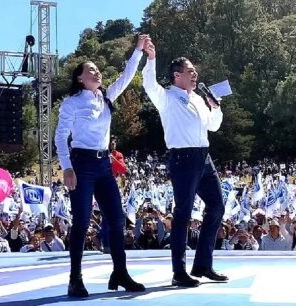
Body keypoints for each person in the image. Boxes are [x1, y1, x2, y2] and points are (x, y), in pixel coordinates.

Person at [54, 34, 149, 297]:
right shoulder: (72, 103)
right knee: (82, 221)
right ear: (80, 78)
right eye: (90, 70)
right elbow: (60, 136)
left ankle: (120, 272)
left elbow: (127, 75)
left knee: (117, 218)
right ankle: (75, 278)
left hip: (103, 164)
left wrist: (138, 49)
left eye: (97, 69)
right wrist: (67, 167)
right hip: (81, 164)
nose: (97, 72)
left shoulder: (105, 97)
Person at [142, 40, 227, 287]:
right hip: (183, 158)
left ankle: (203, 264)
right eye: (190, 71)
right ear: (177, 75)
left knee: (217, 206)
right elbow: (149, 83)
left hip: (204, 157)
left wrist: (216, 107)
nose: (195, 74)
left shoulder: (199, 99)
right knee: (183, 214)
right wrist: (151, 58)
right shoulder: (166, 97)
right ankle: (179, 271)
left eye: (194, 71)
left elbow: (213, 125)